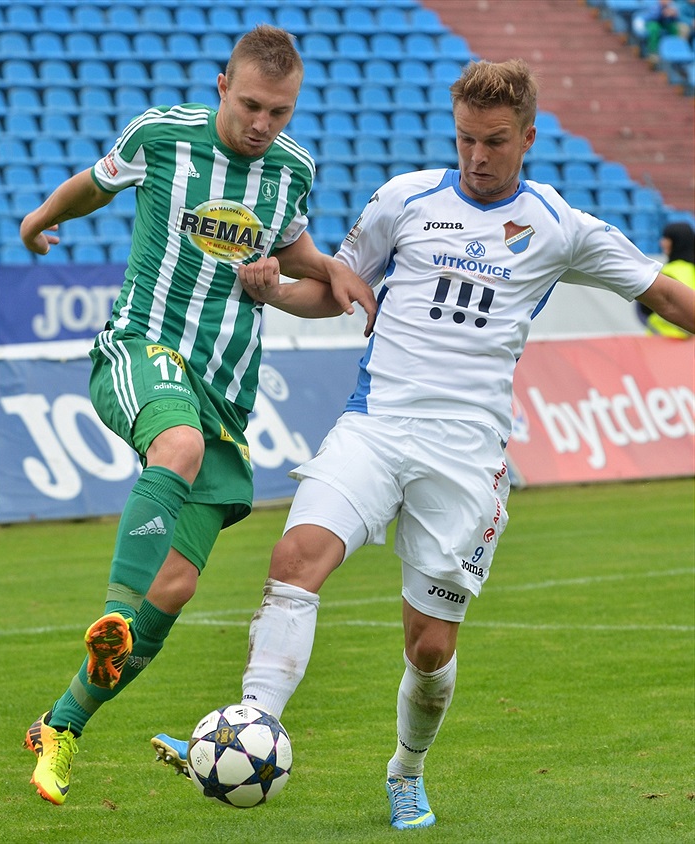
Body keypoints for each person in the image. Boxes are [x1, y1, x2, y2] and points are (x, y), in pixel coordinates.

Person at [151, 59, 695, 830]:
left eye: (496, 142)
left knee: (431, 649)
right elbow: (334, 291)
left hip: (467, 453)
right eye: (467, 139)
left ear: (529, 138)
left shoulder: (560, 225)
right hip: (375, 426)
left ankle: (406, 770)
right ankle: (252, 723)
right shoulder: (404, 199)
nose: (477, 156)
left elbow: (663, 292)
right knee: (296, 556)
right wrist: (270, 287)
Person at [19, 25, 376, 806]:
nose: (263, 124)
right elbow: (94, 182)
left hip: (227, 391)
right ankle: (110, 615)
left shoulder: (290, 171)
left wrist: (330, 273)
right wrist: (41, 219)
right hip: (141, 347)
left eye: (279, 111)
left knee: (175, 587)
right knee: (172, 442)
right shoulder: (162, 136)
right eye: (251, 105)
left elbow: (295, 251)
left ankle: (62, 725)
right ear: (223, 86)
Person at [636, 221, 695, 337]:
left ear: (678, 242)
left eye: (667, 238)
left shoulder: (669, 272)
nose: (662, 243)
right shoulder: (691, 269)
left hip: (664, 342)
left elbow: (644, 308)